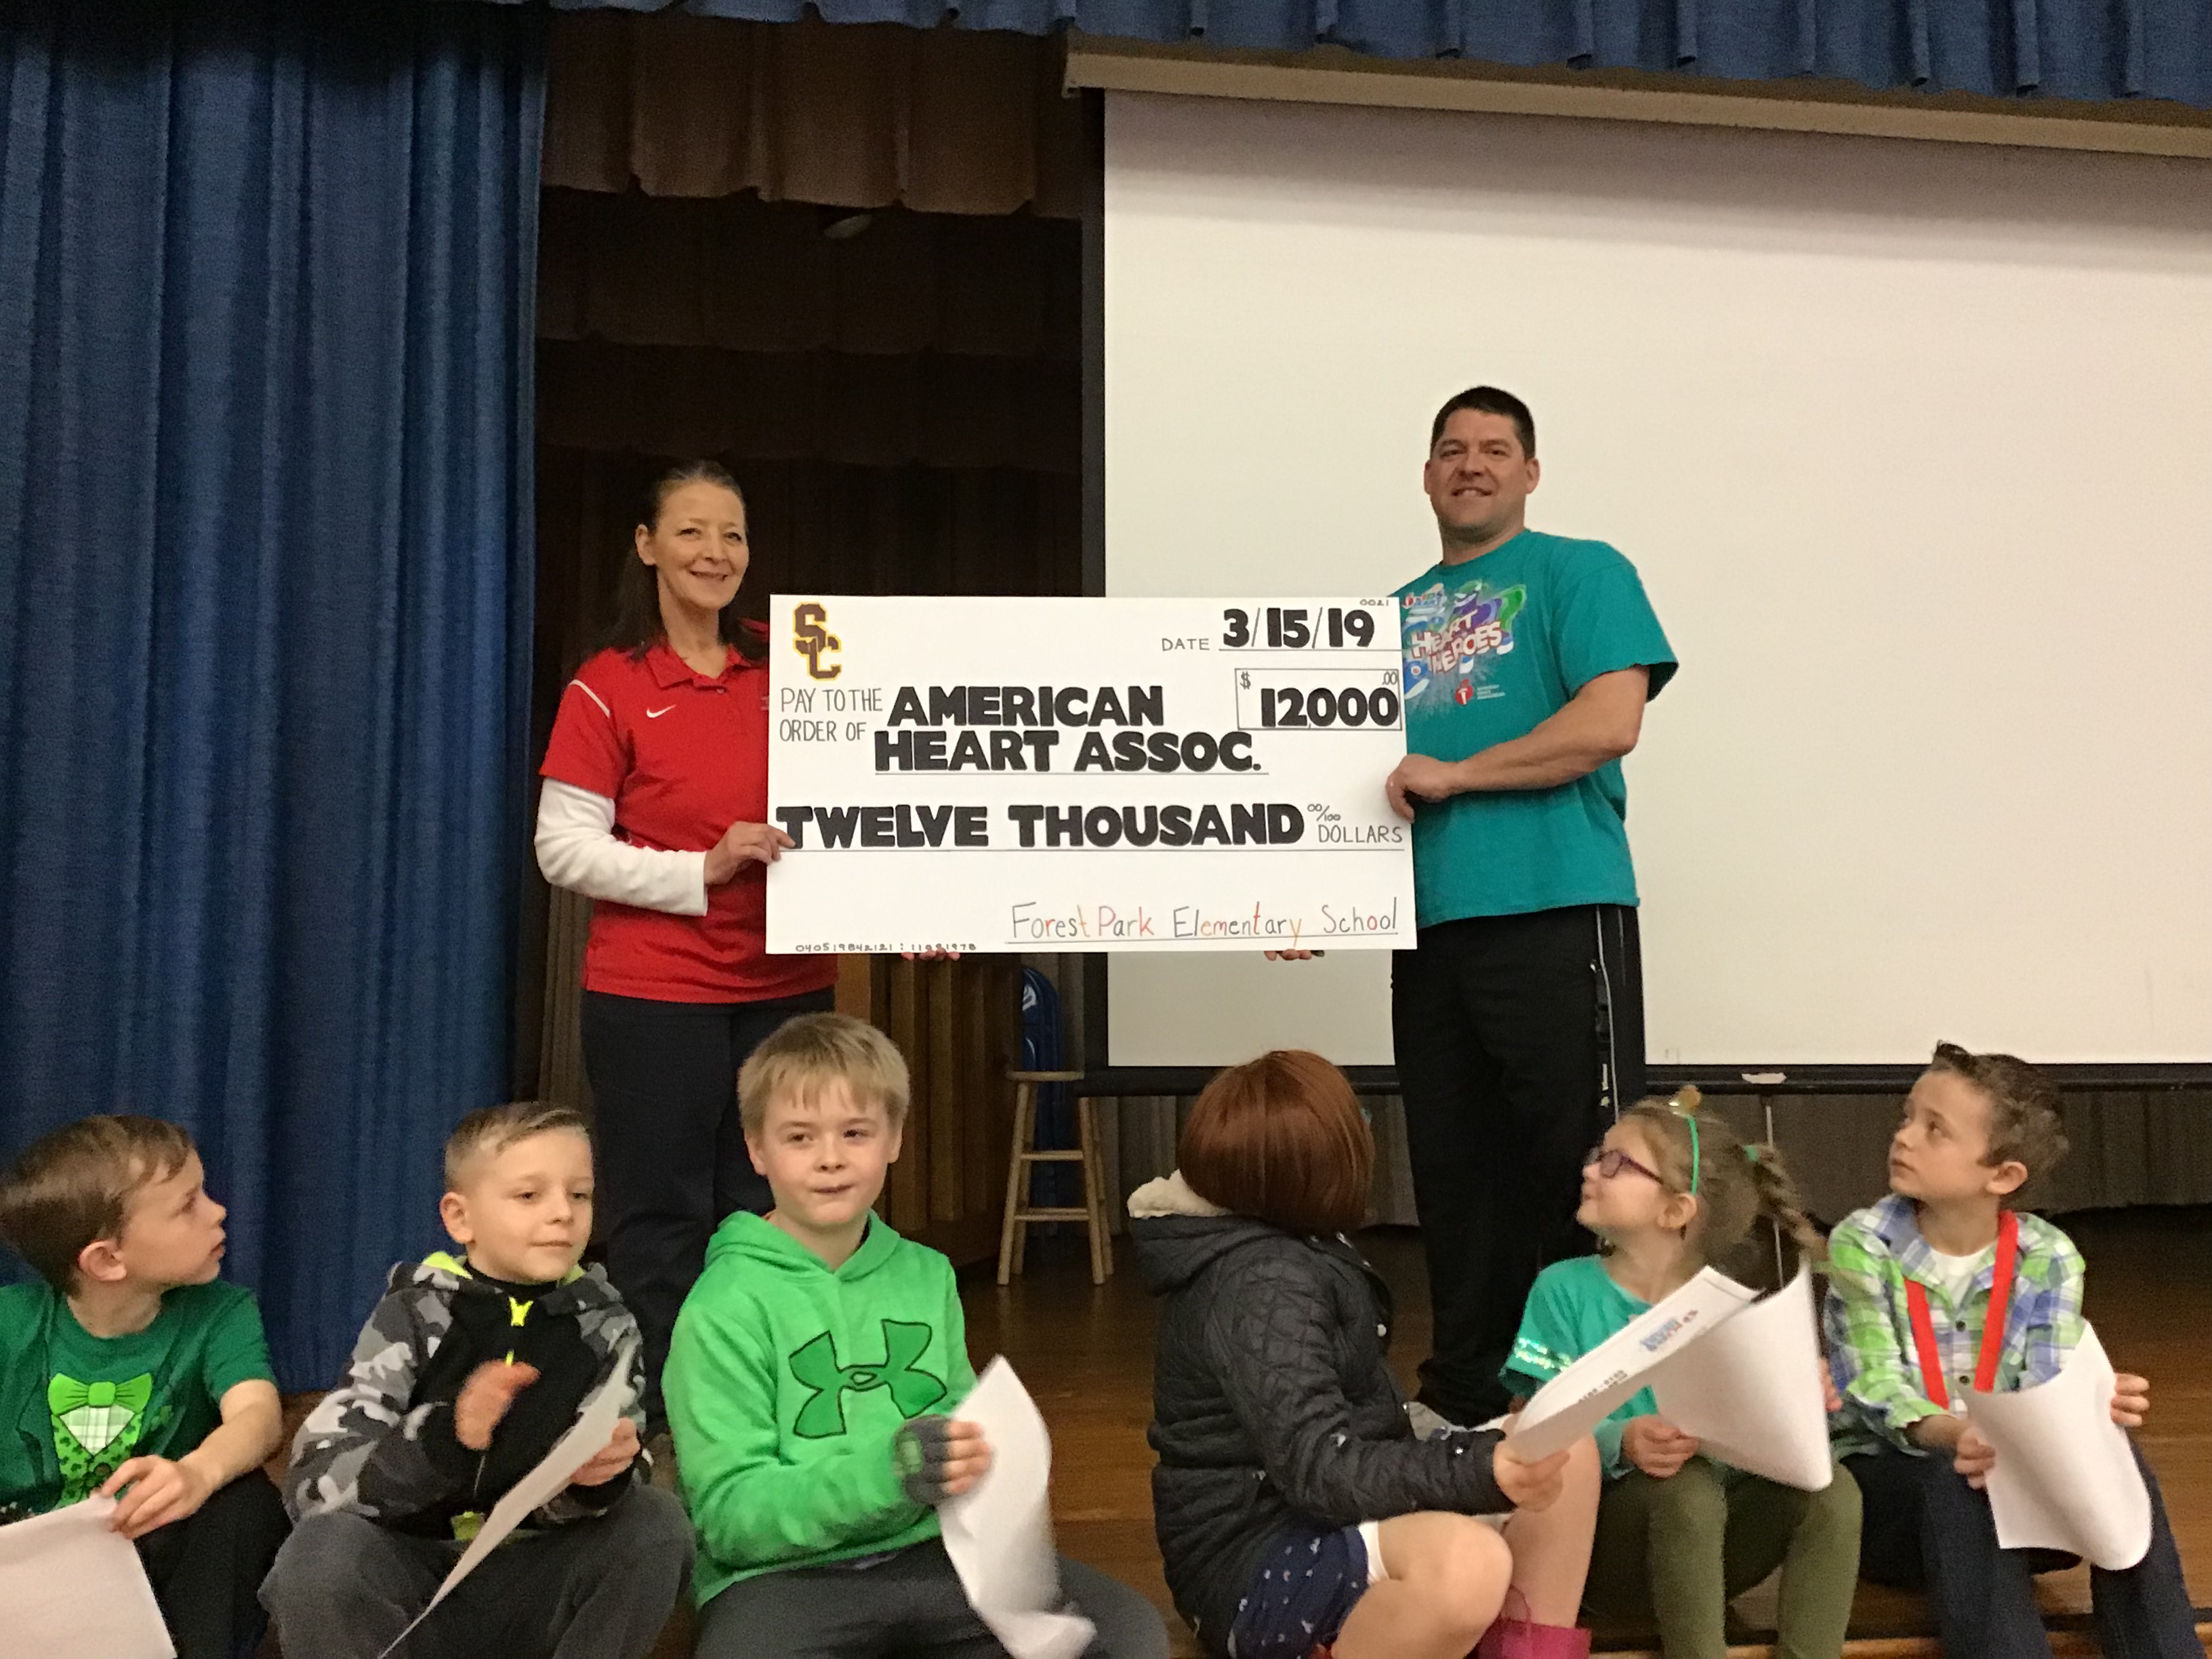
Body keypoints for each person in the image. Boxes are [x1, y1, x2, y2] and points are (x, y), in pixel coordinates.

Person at [1279, 386, 1678, 1429]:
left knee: (1581, 1167)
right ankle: (1463, 1402)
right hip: (1433, 927)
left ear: (1530, 473)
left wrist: (1459, 774)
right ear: (1425, 475)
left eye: (1496, 450)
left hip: (1557, 908)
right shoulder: (1384, 619)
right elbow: (1362, 780)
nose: (1472, 465)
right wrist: (1313, 898)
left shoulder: (1580, 571)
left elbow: (1608, 722)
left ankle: (1592, 1403)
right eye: (1450, 450)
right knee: (1455, 1176)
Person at [666, 1012, 1168, 1659]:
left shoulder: (927, 1276)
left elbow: (961, 1432)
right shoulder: (722, 1307)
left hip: (941, 1561)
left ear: (894, 1138)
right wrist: (887, 1476)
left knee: (1127, 1636)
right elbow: (730, 1520)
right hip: (782, 1581)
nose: (829, 1159)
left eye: (855, 1133)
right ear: (756, 1149)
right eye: (799, 1137)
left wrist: (990, 1464)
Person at [535, 459, 839, 1430]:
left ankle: (769, 1404)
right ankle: (666, 1419)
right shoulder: (609, 684)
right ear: (648, 546)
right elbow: (561, 848)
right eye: (694, 532)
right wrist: (698, 869)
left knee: (777, 1207)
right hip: (654, 994)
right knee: (661, 1218)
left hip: (788, 985)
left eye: (734, 535)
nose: (716, 553)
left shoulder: (801, 662)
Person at [1134, 1048, 1600, 1659]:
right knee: (1468, 1567)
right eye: (1357, 1121)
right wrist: (1479, 1469)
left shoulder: (1289, 1247)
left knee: (1566, 1446)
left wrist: (1482, 1459)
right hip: (1250, 1565)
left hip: (1324, 1516)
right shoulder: (1264, 1280)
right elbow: (1321, 1469)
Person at [262, 1102, 691, 1659]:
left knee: (655, 1523)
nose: (563, 1213)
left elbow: (619, 1479)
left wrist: (597, 1480)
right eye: (529, 1196)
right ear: (460, 1218)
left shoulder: (607, 1325)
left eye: (579, 1194)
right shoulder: (412, 1315)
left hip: (530, 1584)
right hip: (410, 1585)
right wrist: (442, 1441)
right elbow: (313, 1488)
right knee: (323, 1551)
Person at [1825, 1044, 2198, 1659]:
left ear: (2002, 1177)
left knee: (2118, 1452)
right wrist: (1959, 1433)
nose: (1905, 1138)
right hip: (1891, 1504)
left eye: (1934, 1129)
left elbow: (2044, 1383)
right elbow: (1872, 1387)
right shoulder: (1863, 1244)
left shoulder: (2046, 1255)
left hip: (2023, 1504)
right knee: (1959, 1475)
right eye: (1906, 1117)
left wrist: (2090, 1404)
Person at [1504, 1091, 1861, 1659]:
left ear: (1676, 1211)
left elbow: (1762, 1437)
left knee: (1833, 1492)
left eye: (1616, 1162)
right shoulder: (1564, 1289)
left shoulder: (1729, 1305)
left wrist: (1800, 1400)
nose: (1591, 1169)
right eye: (1599, 1154)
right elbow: (1528, 1428)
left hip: (1712, 1550)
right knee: (1686, 1489)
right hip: (1602, 1551)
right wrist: (1619, 1440)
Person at [0, 1115, 289, 1659]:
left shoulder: (221, 1311)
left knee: (246, 1506)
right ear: (108, 1260)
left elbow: (257, 1415)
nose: (219, 1211)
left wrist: (198, 1472)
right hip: (27, 1572)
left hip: (151, 1558)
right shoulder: (9, 1326)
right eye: (188, 1206)